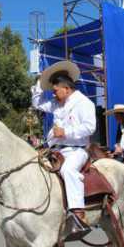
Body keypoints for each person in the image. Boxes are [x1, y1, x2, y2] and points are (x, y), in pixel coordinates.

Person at [32, 60, 96, 229]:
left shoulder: (84, 103)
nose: (53, 94)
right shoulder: (56, 104)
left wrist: (66, 132)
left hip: (76, 150)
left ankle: (78, 213)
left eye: (55, 91)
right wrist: (39, 82)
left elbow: (90, 127)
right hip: (55, 149)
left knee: (68, 170)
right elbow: (37, 104)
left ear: (67, 89)